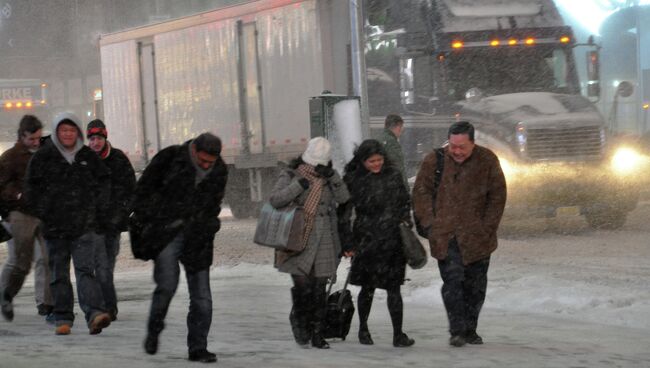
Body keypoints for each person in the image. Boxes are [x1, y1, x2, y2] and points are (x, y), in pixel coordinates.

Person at [131, 133, 227, 363]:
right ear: (193, 149)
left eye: (210, 163)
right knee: (167, 285)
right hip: (167, 233)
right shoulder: (170, 158)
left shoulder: (219, 169)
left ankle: (198, 347)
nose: (205, 166)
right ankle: (154, 328)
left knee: (202, 297)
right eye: (202, 161)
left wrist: (209, 223)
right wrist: (157, 218)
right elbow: (143, 191)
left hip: (199, 236)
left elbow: (214, 203)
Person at [412, 121, 507, 347]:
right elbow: (420, 193)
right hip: (446, 236)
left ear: (473, 143)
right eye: (453, 145)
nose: (457, 151)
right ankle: (457, 330)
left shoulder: (487, 160)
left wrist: (487, 227)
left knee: (475, 288)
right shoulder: (434, 161)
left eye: (462, 146)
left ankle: (470, 328)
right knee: (453, 283)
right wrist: (431, 224)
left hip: (478, 238)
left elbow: (497, 196)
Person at [24, 112, 113, 335]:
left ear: (78, 133)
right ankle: (63, 317)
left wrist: (95, 209)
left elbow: (104, 183)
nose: (68, 134)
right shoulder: (44, 157)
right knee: (59, 273)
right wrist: (44, 211)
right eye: (63, 130)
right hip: (54, 228)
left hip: (83, 225)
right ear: (56, 132)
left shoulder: (87, 156)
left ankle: (94, 314)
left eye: (72, 130)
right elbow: (30, 189)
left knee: (85, 271)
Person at [268, 137, 350, 349]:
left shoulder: (329, 177)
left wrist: (333, 177)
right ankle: (300, 321)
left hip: (324, 237)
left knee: (319, 288)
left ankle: (317, 333)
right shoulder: (291, 174)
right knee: (303, 288)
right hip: (297, 236)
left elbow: (344, 198)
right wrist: (297, 187)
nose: (315, 167)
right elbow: (276, 200)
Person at [338, 139, 415, 348]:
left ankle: (398, 334)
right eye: (371, 161)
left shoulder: (393, 175)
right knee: (367, 288)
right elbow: (343, 214)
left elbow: (404, 200)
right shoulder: (353, 179)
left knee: (394, 288)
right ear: (362, 161)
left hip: (392, 240)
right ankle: (363, 329)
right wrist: (347, 242)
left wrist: (405, 219)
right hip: (366, 239)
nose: (376, 164)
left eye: (379, 160)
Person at [0, 115, 53, 321]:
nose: (35, 142)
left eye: (38, 138)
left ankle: (46, 303)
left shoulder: (43, 153)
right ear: (22, 136)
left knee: (47, 258)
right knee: (21, 263)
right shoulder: (10, 157)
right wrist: (18, 195)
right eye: (32, 139)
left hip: (42, 213)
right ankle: (6, 294)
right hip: (19, 214)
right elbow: (2, 187)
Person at [86, 119, 136, 321]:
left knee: (107, 266)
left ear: (105, 138)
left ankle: (105, 304)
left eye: (98, 138)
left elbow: (132, 190)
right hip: (94, 224)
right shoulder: (85, 160)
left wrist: (123, 213)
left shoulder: (118, 159)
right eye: (92, 139)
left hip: (113, 224)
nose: (95, 143)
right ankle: (108, 307)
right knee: (102, 267)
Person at [381, 114, 407, 189]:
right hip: (393, 187)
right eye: (402, 127)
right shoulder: (391, 142)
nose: (402, 130)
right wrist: (405, 188)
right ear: (398, 126)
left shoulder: (379, 139)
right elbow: (398, 166)